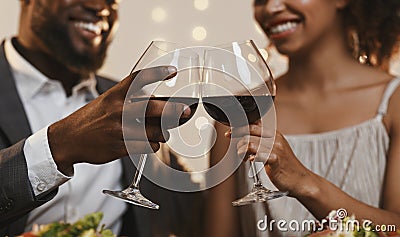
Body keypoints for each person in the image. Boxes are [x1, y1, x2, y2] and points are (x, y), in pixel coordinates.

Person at [207, 0, 400, 236]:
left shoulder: (393, 104)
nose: (271, 8)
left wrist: (305, 182)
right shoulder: (237, 114)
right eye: (260, 0)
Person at [0, 0, 192, 236]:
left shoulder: (127, 103)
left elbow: (190, 206)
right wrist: (58, 146)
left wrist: (235, 140)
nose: (99, 6)